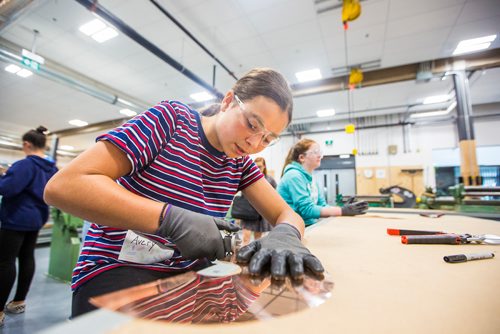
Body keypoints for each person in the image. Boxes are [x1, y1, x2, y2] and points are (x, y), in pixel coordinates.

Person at [44, 68, 324, 318]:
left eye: (267, 139)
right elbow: (65, 186)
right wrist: (170, 219)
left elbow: (286, 213)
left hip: (186, 278)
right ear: (228, 101)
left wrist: (287, 234)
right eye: (252, 125)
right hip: (117, 268)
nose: (253, 143)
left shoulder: (239, 163)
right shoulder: (172, 120)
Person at [0, 126, 58, 327]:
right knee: (26, 257)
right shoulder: (52, 169)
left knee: (5, 262)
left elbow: (7, 189)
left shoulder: (24, 165)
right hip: (37, 218)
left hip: (16, 218)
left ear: (26, 144)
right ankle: (19, 301)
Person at [277, 138, 368, 227]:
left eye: (320, 152)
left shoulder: (311, 178)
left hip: (308, 225)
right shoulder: (294, 175)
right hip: (292, 228)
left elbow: (322, 205)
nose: (320, 156)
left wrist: (344, 208)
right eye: (315, 152)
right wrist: (342, 211)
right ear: (302, 157)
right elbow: (306, 210)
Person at [240, 157, 276, 245]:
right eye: (256, 166)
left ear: (264, 166)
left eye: (260, 166)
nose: (258, 168)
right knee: (245, 237)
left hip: (261, 212)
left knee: (257, 239)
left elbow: (274, 195)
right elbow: (242, 195)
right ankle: (241, 257)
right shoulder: (248, 177)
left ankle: (253, 256)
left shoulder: (270, 180)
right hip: (248, 211)